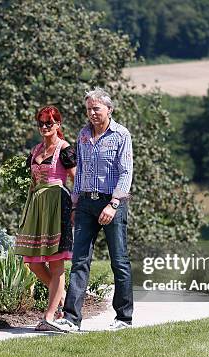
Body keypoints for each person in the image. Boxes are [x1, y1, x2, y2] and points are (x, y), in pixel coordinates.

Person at [55, 87, 134, 332]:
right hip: (86, 204)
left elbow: (126, 172)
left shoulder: (121, 135)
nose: (91, 113)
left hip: (112, 202)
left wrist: (114, 204)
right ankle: (71, 318)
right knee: (80, 261)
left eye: (96, 108)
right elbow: (79, 174)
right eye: (88, 109)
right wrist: (75, 204)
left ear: (109, 110)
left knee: (119, 261)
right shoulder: (83, 135)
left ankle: (124, 318)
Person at [15, 105, 77, 331]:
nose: (44, 127)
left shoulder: (66, 149)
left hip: (57, 203)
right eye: (40, 123)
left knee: (55, 261)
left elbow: (75, 180)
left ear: (58, 125)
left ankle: (49, 317)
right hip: (37, 205)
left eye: (48, 123)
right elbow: (32, 182)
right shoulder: (35, 151)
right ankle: (61, 299)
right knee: (31, 262)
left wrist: (74, 209)